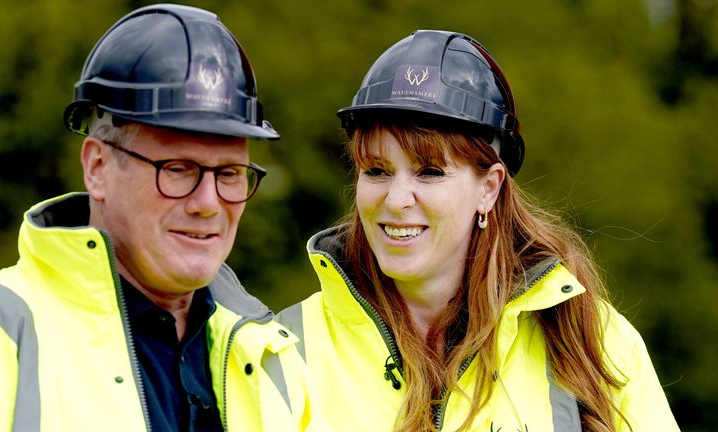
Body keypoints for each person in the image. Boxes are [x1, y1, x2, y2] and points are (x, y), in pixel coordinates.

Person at [277, 30, 680, 431]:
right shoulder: (283, 349)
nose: (397, 199)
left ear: (489, 188)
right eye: (377, 171)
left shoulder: (595, 341)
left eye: (430, 172)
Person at [0, 5, 317, 431]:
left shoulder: (273, 357)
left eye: (230, 174)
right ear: (98, 168)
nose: (208, 202)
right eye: (178, 169)